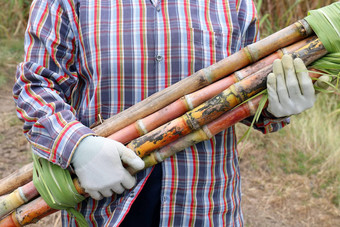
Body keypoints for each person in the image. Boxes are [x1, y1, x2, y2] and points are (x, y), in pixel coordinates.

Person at [13, 0, 322, 226]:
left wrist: (276, 105)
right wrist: (77, 146)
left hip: (206, 208)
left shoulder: (234, 4)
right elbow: (35, 84)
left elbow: (248, 89)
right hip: (103, 208)